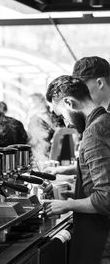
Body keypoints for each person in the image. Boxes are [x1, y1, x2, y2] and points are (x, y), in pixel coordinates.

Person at [45, 75, 110, 264]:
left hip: (101, 241)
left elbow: (106, 199)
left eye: (62, 114)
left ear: (68, 102)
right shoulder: (105, 120)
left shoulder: (94, 132)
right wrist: (70, 180)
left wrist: (68, 204)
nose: (66, 123)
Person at [27, 93, 55, 170]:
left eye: (31, 103)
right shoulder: (48, 116)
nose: (29, 106)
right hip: (48, 155)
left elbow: (38, 143)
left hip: (40, 156)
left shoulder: (36, 119)